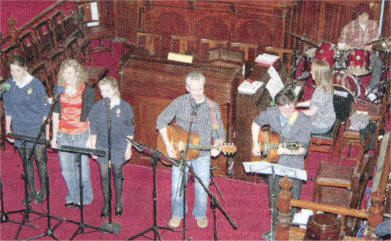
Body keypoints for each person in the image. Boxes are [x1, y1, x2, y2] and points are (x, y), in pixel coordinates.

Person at [156, 71, 225, 229]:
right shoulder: (179, 102)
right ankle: (178, 212)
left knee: (202, 186)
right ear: (187, 88)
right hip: (180, 151)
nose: (198, 93)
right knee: (177, 186)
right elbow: (161, 121)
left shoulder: (212, 107)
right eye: (194, 90)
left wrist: (218, 145)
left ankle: (200, 213)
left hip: (202, 153)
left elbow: (219, 132)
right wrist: (168, 145)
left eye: (201, 89)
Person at [251, 86, 312, 239]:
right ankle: (274, 231)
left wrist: (286, 150)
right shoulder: (272, 113)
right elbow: (255, 123)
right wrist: (256, 144)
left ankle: (285, 232)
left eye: (290, 108)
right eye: (283, 109)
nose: (287, 112)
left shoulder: (303, 120)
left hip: (293, 164)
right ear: (277, 106)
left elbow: (302, 149)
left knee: (290, 201)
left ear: (295, 104)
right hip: (273, 162)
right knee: (274, 199)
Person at [3, 55, 50, 204]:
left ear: (24, 69)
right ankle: (31, 191)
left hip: (35, 128)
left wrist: (46, 134)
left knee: (40, 160)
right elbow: (8, 108)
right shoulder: (9, 85)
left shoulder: (36, 84)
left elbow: (45, 111)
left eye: (17, 71)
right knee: (26, 162)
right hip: (19, 128)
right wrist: (8, 128)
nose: (13, 74)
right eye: (11, 71)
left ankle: (43, 190)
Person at [87, 76, 135, 217]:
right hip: (102, 145)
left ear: (115, 89)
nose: (104, 94)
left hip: (119, 145)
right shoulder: (97, 107)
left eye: (107, 91)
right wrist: (93, 146)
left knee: (117, 172)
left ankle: (119, 201)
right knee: (104, 175)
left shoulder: (125, 107)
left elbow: (130, 130)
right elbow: (93, 129)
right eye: (101, 91)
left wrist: (128, 148)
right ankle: (107, 202)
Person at [50, 59, 95, 207]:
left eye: (70, 72)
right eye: (65, 72)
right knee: (67, 169)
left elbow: (90, 115)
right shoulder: (59, 89)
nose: (67, 76)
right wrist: (54, 136)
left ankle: (86, 196)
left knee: (83, 170)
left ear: (77, 73)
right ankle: (74, 195)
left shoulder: (86, 89)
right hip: (64, 133)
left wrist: (90, 139)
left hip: (81, 132)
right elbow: (56, 114)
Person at [338, 3, 384, 95]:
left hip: (368, 54)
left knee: (379, 63)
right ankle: (342, 87)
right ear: (357, 15)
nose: (363, 18)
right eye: (361, 15)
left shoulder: (373, 25)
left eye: (366, 15)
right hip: (351, 54)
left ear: (369, 15)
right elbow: (340, 45)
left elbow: (376, 41)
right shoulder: (349, 26)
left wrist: (372, 46)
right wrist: (352, 47)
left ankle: (371, 90)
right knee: (340, 63)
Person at [296, 60, 336, 134]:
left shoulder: (321, 91)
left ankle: (300, 144)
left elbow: (311, 112)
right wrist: (298, 104)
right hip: (327, 119)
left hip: (321, 125)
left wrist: (295, 113)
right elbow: (314, 102)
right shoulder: (324, 85)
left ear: (318, 74)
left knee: (292, 125)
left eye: (312, 71)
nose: (310, 72)